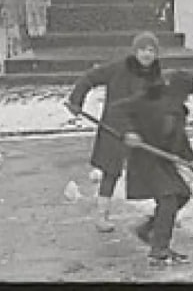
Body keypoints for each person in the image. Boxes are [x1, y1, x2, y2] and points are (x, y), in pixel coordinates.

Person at [66, 31, 165, 232]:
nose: (147, 54)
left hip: (140, 132)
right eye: (143, 50)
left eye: (151, 50)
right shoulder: (119, 68)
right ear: (135, 51)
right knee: (111, 172)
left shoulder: (155, 76)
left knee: (152, 170)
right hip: (115, 128)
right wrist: (76, 100)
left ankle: (163, 213)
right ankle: (101, 216)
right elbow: (89, 78)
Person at [117, 70, 193, 266]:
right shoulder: (148, 100)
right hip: (144, 159)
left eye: (187, 95)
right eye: (182, 93)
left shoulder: (178, 111)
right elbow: (119, 111)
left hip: (163, 161)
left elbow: (181, 141)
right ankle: (159, 250)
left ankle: (148, 230)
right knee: (168, 198)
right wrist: (129, 131)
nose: (184, 98)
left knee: (182, 194)